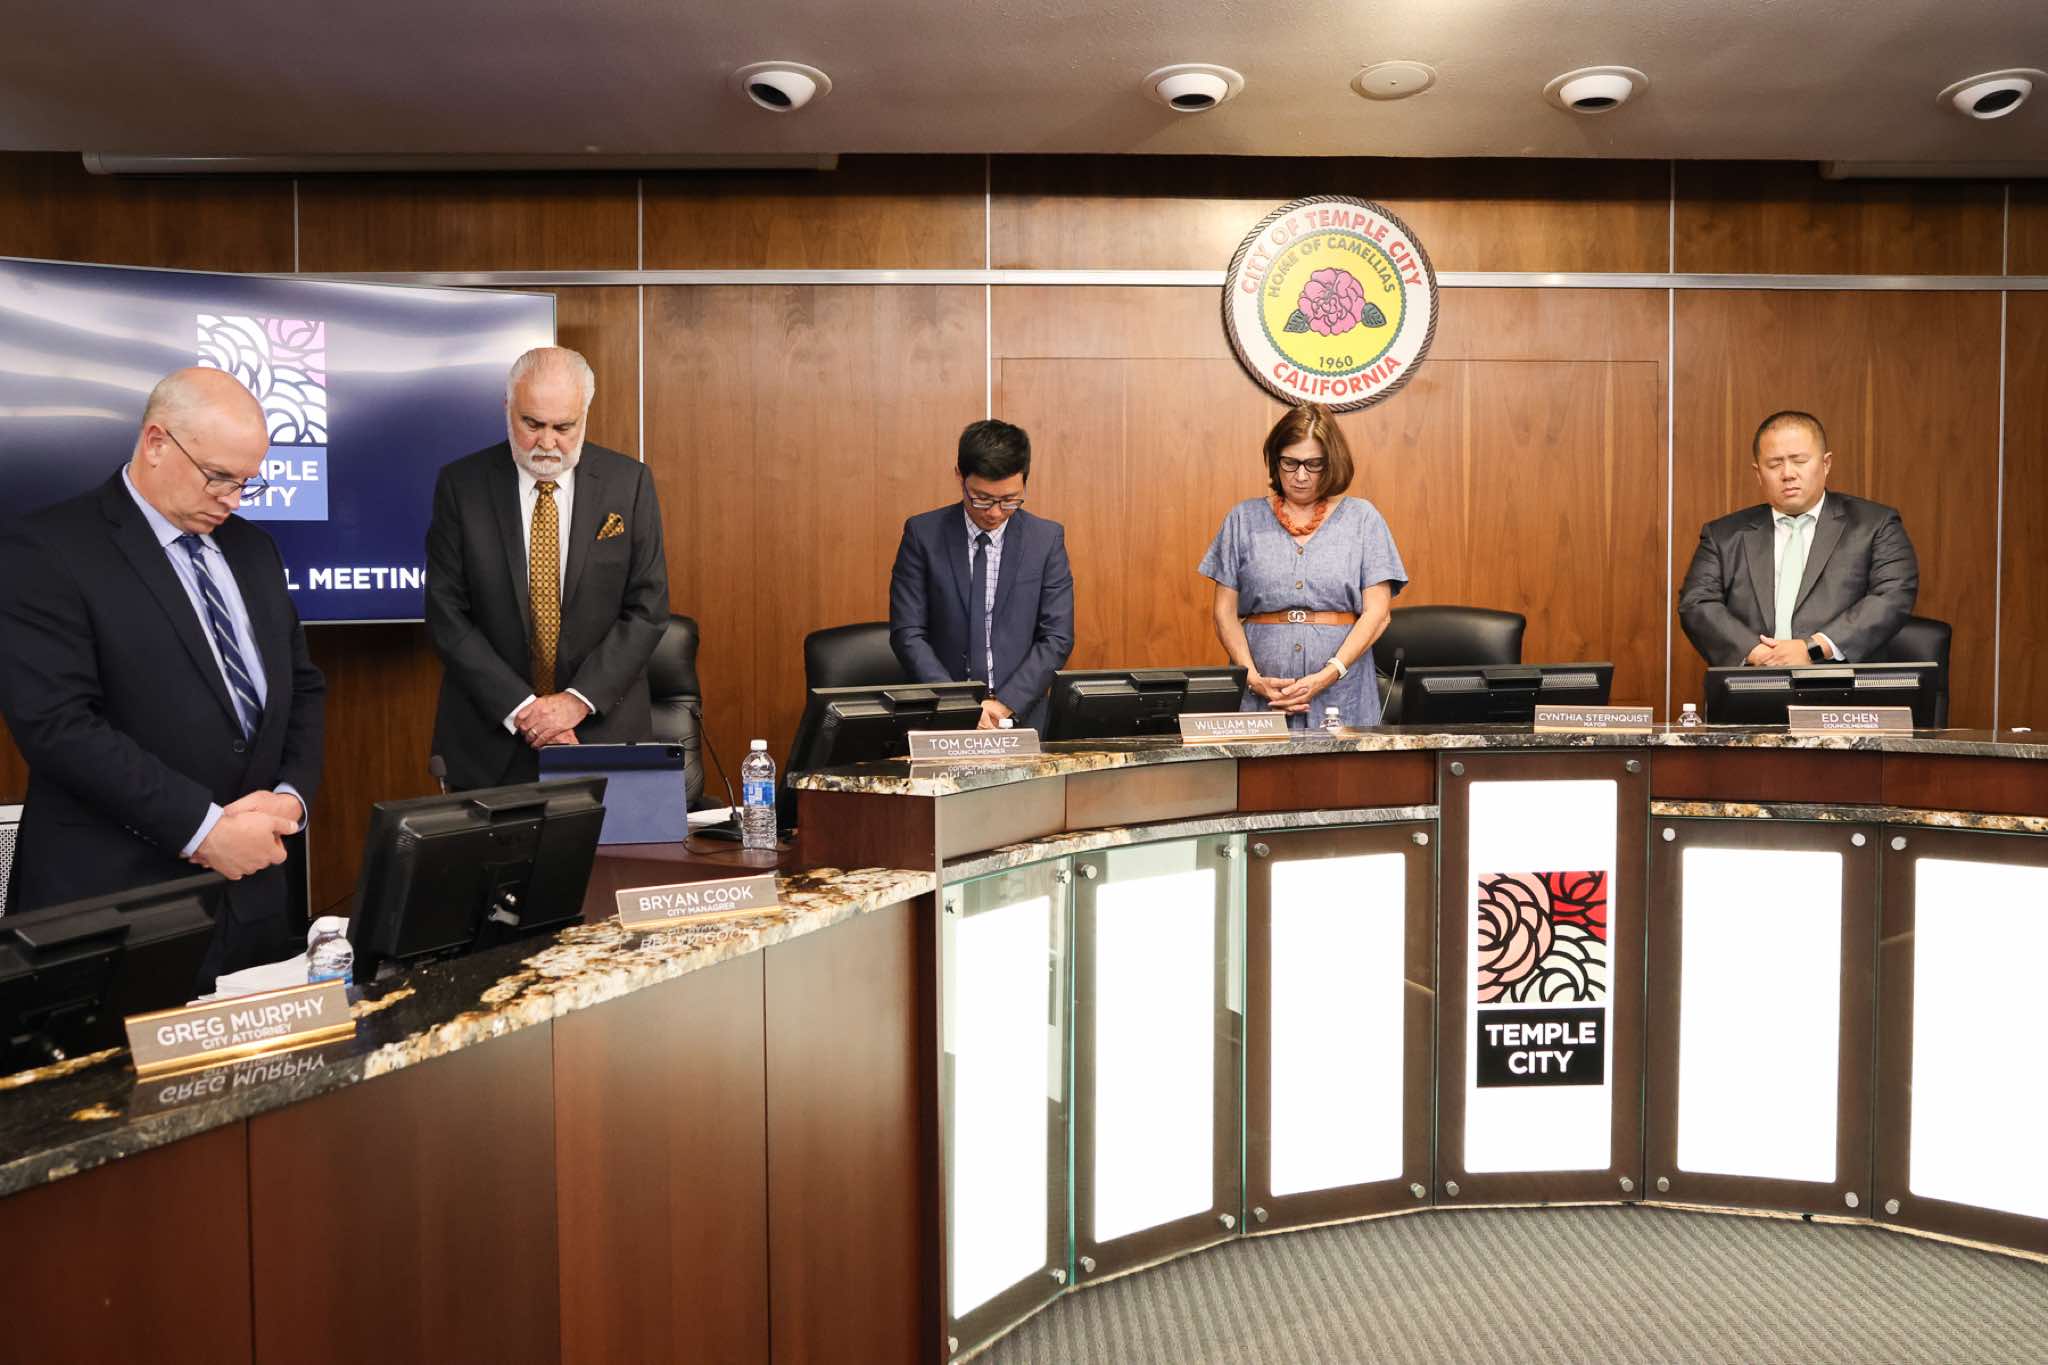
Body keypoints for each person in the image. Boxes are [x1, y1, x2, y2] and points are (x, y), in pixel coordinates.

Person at [0, 367, 326, 983]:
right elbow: (59, 727)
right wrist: (204, 830)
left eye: (247, 482)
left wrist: (291, 798)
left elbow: (302, 687)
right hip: (115, 905)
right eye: (219, 477)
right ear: (156, 442)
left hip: (250, 903)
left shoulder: (255, 550)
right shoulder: (48, 548)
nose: (233, 499)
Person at [425, 347, 669, 790]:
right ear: (507, 409)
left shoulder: (629, 483)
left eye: (563, 427)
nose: (547, 443)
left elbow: (647, 609)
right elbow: (446, 614)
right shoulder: (462, 486)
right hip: (489, 741)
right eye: (532, 424)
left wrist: (575, 702)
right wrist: (525, 710)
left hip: (600, 733)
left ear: (585, 414)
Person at [1200, 403, 1407, 727]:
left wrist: (1328, 675)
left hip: (1342, 693)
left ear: (1332, 463)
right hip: (1262, 696)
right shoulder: (1242, 519)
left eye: (1314, 464)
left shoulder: (1363, 519)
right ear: (1275, 460)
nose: (1300, 476)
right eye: (1290, 463)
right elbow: (1224, 613)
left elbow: (1378, 614)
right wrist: (1253, 678)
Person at [1679, 410, 1918, 667]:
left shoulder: (1875, 524)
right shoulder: (1723, 535)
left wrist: (1813, 649)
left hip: (1840, 684)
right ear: (1758, 473)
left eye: (1799, 461)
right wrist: (1756, 653)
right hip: (1752, 681)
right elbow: (1697, 603)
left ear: (1826, 464)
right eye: (1774, 464)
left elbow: (1892, 595)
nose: (1788, 473)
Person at [888, 419, 1075, 731]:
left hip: (1021, 714)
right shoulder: (923, 535)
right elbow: (908, 633)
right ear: (960, 477)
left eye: (1010, 500)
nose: (995, 512)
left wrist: (1005, 704)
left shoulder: (1045, 540)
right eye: (982, 499)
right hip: (941, 714)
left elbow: (1057, 636)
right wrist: (959, 705)